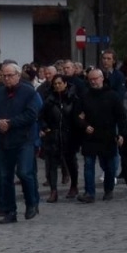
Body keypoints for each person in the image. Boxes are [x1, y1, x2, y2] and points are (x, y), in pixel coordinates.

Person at [0, 61, 42, 223]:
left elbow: (31, 114)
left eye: (10, 75)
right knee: (4, 176)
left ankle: (31, 202)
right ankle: (10, 210)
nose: (6, 79)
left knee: (24, 172)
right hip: (3, 141)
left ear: (18, 76)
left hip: (23, 139)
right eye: (4, 76)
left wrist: (10, 123)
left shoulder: (28, 92)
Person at [75, 66, 127, 204]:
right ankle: (89, 193)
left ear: (102, 79)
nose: (93, 82)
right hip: (90, 136)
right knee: (88, 164)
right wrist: (84, 125)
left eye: (95, 79)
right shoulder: (85, 96)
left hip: (108, 135)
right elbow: (77, 116)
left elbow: (121, 117)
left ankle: (109, 189)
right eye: (90, 79)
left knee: (109, 166)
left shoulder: (112, 95)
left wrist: (122, 134)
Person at [39, 73, 80, 203]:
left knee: (71, 162)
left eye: (59, 83)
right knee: (52, 164)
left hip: (69, 135)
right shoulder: (49, 100)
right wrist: (45, 128)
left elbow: (78, 116)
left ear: (65, 84)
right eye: (55, 84)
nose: (57, 86)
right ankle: (53, 191)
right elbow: (41, 117)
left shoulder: (73, 99)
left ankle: (74, 185)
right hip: (53, 134)